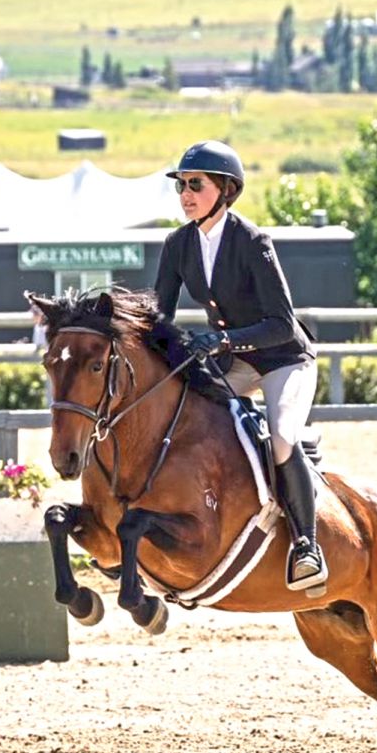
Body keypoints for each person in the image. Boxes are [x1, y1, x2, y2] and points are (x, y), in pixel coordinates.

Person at [153, 139, 326, 592]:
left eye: (196, 185)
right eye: (182, 186)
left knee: (283, 441)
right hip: (234, 363)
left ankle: (307, 545)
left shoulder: (252, 241)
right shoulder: (177, 245)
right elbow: (158, 317)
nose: (186, 194)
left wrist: (224, 339)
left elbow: (283, 325)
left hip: (283, 361)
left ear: (225, 190)